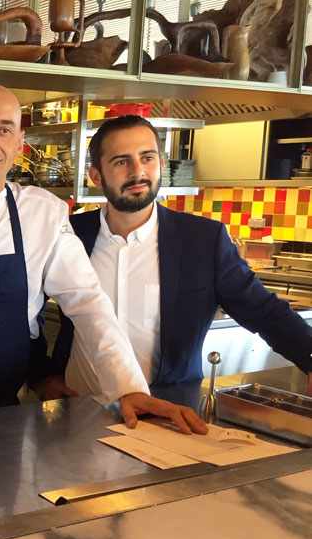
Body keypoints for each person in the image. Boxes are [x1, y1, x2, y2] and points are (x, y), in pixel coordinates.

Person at [0, 84, 206, 434]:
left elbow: (88, 302)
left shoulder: (43, 214)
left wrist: (128, 387)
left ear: (19, 142)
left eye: (4, 129)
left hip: (8, 416)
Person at [50, 114, 312, 395]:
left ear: (162, 165)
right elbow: (24, 309)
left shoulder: (203, 241)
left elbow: (264, 311)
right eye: (122, 161)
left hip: (166, 414)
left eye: (147, 158)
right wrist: (44, 378)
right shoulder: (68, 234)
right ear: (96, 176)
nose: (137, 171)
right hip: (78, 411)